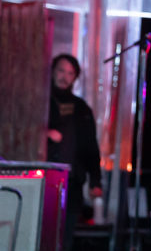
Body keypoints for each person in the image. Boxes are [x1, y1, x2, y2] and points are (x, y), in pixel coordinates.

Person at [47, 54, 102, 250]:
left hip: (72, 182)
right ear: (53, 71)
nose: (64, 77)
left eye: (70, 73)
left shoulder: (81, 109)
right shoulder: (41, 101)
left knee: (66, 237)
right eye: (61, 71)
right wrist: (44, 133)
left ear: (75, 78)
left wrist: (95, 181)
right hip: (45, 179)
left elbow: (91, 148)